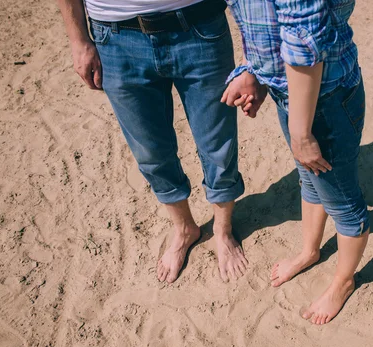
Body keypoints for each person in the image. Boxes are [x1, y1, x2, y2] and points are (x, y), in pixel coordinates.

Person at [56, 0, 265, 283]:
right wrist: (78, 39)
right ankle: (184, 228)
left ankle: (223, 228)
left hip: (199, 26)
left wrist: (255, 57)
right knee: (149, 151)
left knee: (218, 143)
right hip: (116, 38)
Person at [222, 0, 370, 324]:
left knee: (344, 204)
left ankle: (344, 282)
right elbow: (262, 24)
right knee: (309, 177)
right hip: (291, 93)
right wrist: (254, 72)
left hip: (326, 97)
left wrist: (301, 132)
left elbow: (304, 40)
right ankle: (309, 251)